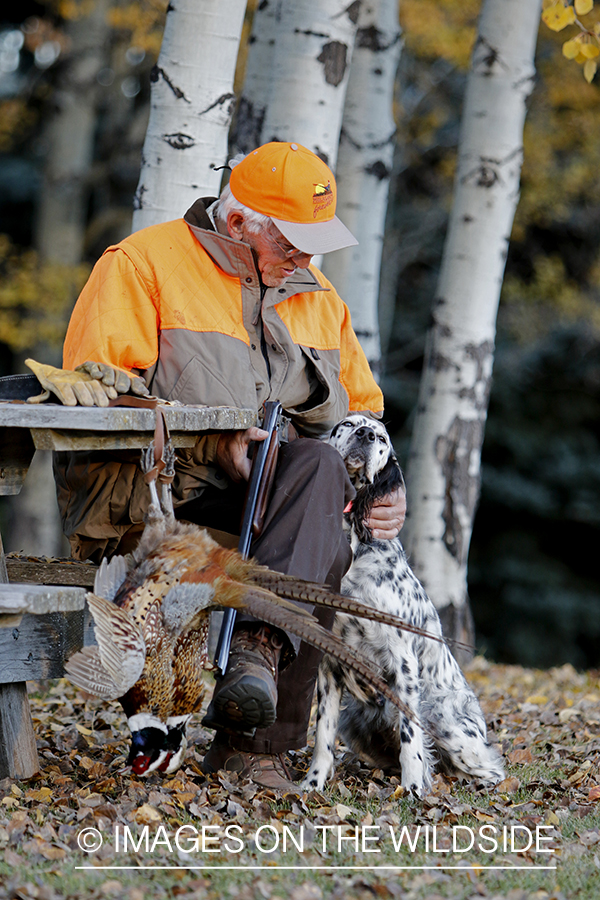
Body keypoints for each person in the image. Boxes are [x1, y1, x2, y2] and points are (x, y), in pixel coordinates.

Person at [51, 141, 406, 790]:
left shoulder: (318, 298)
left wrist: (386, 487)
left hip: (278, 492)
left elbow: (363, 416)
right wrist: (213, 441)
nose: (306, 258)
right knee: (315, 509)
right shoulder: (141, 264)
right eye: (293, 242)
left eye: (313, 243)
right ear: (240, 224)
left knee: (324, 481)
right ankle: (255, 745)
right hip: (159, 491)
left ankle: (256, 657)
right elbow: (95, 397)